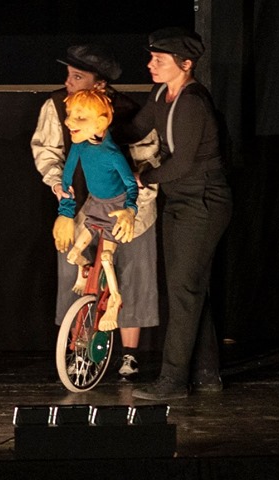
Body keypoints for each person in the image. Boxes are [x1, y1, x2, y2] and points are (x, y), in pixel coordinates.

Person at [31, 44, 160, 379]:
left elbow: (148, 163)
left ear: (100, 84)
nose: (68, 83)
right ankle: (77, 349)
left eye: (77, 77)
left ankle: (129, 355)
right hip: (81, 209)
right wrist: (58, 186)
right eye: (68, 75)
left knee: (131, 274)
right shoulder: (57, 105)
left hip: (126, 209)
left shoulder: (129, 112)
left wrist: (133, 209)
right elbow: (47, 150)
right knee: (75, 274)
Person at [119, 27, 233, 401]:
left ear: (185, 64)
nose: (150, 65)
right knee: (188, 288)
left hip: (202, 201)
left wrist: (143, 177)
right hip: (179, 200)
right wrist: (99, 131)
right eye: (151, 58)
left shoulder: (193, 102)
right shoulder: (160, 94)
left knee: (184, 291)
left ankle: (173, 380)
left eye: (159, 60)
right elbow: (136, 129)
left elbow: (182, 163)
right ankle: (206, 373)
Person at [52, 89, 139, 332]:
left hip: (114, 208)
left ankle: (115, 300)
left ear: (100, 123)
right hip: (95, 205)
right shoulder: (80, 146)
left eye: (80, 117)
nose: (68, 122)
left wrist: (130, 210)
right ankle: (85, 268)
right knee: (73, 255)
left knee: (107, 258)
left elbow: (131, 185)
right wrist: (65, 212)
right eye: (69, 114)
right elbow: (67, 179)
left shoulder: (112, 154)